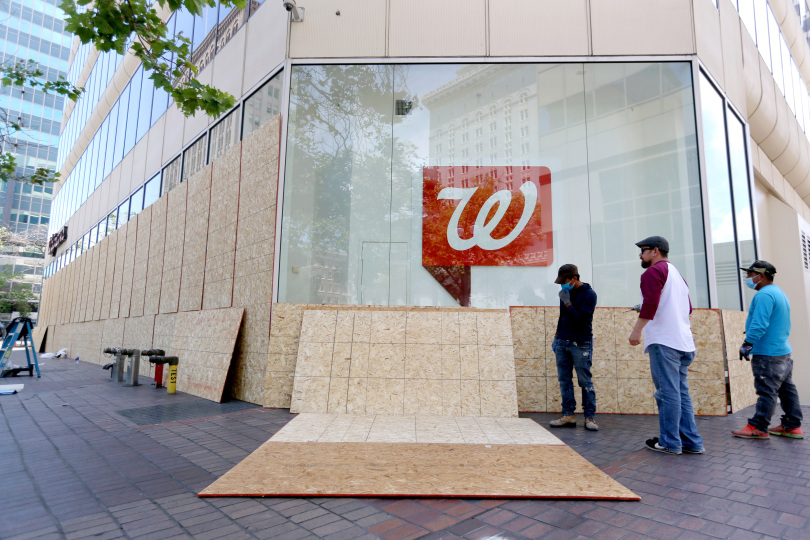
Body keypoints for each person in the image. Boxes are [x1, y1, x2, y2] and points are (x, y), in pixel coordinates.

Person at [629, 236, 704, 455]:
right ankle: (692, 442)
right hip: (684, 342)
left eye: (642, 251)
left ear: (654, 251)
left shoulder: (652, 272)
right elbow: (687, 309)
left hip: (665, 342)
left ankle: (670, 443)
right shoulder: (677, 275)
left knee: (667, 394)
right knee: (681, 393)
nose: (640, 256)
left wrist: (637, 330)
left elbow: (651, 304)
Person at [732, 261, 803, 439]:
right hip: (782, 352)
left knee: (766, 391)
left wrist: (748, 342)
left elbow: (760, 323)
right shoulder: (778, 292)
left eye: (750, 275)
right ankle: (792, 426)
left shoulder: (763, 295)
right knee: (787, 390)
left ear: (761, 276)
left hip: (768, 354)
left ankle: (759, 427)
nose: (748, 279)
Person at [549, 264, 599, 431]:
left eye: (565, 282)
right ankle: (568, 415)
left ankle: (589, 417)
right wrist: (557, 337)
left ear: (574, 279)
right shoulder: (565, 294)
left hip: (581, 343)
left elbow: (581, 319)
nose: (563, 285)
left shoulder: (589, 295)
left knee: (584, 380)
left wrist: (568, 302)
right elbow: (563, 317)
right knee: (565, 380)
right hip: (563, 341)